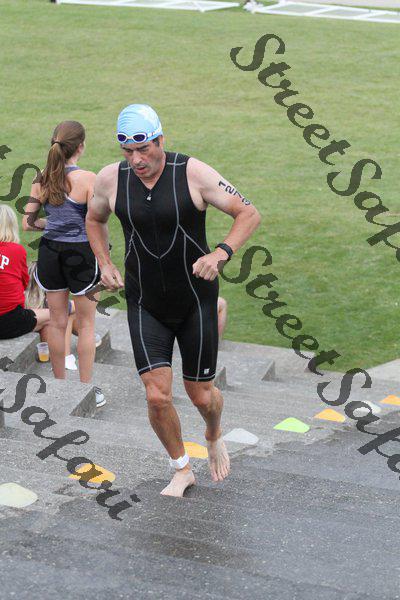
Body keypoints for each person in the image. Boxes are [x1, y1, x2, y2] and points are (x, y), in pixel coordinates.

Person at [86, 104, 261, 496]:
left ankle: (213, 434)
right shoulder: (110, 179)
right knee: (156, 395)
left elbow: (248, 213)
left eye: (144, 149)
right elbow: (94, 219)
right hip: (145, 301)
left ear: (160, 140)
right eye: (127, 151)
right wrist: (104, 262)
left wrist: (220, 254)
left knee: (201, 395)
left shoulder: (192, 173)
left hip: (195, 301)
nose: (136, 159)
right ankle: (181, 468)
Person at [22, 121, 105, 407]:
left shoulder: (41, 178)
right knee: (87, 324)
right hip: (81, 255)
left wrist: (53, 224)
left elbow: (28, 222)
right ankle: (86, 390)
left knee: (57, 323)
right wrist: (105, 260)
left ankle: (59, 387)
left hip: (50, 254)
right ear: (80, 146)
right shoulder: (89, 179)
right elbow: (95, 223)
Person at [25, 261, 103, 370]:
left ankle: (86, 336)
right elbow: (77, 307)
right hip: (49, 340)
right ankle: (68, 355)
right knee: (69, 313)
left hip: (40, 333)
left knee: (69, 311)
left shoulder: (23, 296)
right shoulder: (49, 298)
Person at [0, 204, 50, 339]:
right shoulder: (16, 250)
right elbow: (24, 282)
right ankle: (51, 352)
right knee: (55, 315)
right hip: (8, 320)